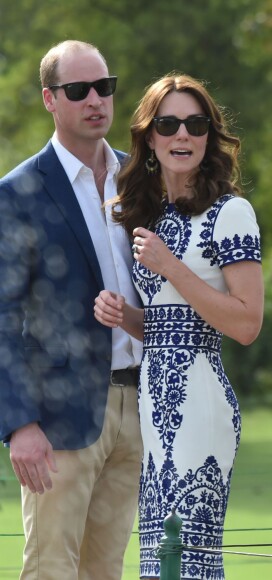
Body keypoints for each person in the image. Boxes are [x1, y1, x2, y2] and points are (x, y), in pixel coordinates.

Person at [93, 72, 264, 580]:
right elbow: (171, 323)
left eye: (196, 123)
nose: (182, 135)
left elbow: (247, 323)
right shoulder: (152, 213)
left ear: (210, 135)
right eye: (168, 124)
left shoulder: (231, 213)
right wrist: (126, 318)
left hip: (200, 402)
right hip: (152, 402)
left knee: (190, 561)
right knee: (159, 562)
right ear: (149, 135)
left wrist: (172, 267)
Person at [0, 40, 143, 579]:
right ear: (49, 99)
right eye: (78, 90)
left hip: (141, 405)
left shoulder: (142, 181)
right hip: (59, 419)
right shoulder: (18, 194)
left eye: (104, 88)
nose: (95, 100)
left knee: (105, 571)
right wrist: (19, 424)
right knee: (51, 570)